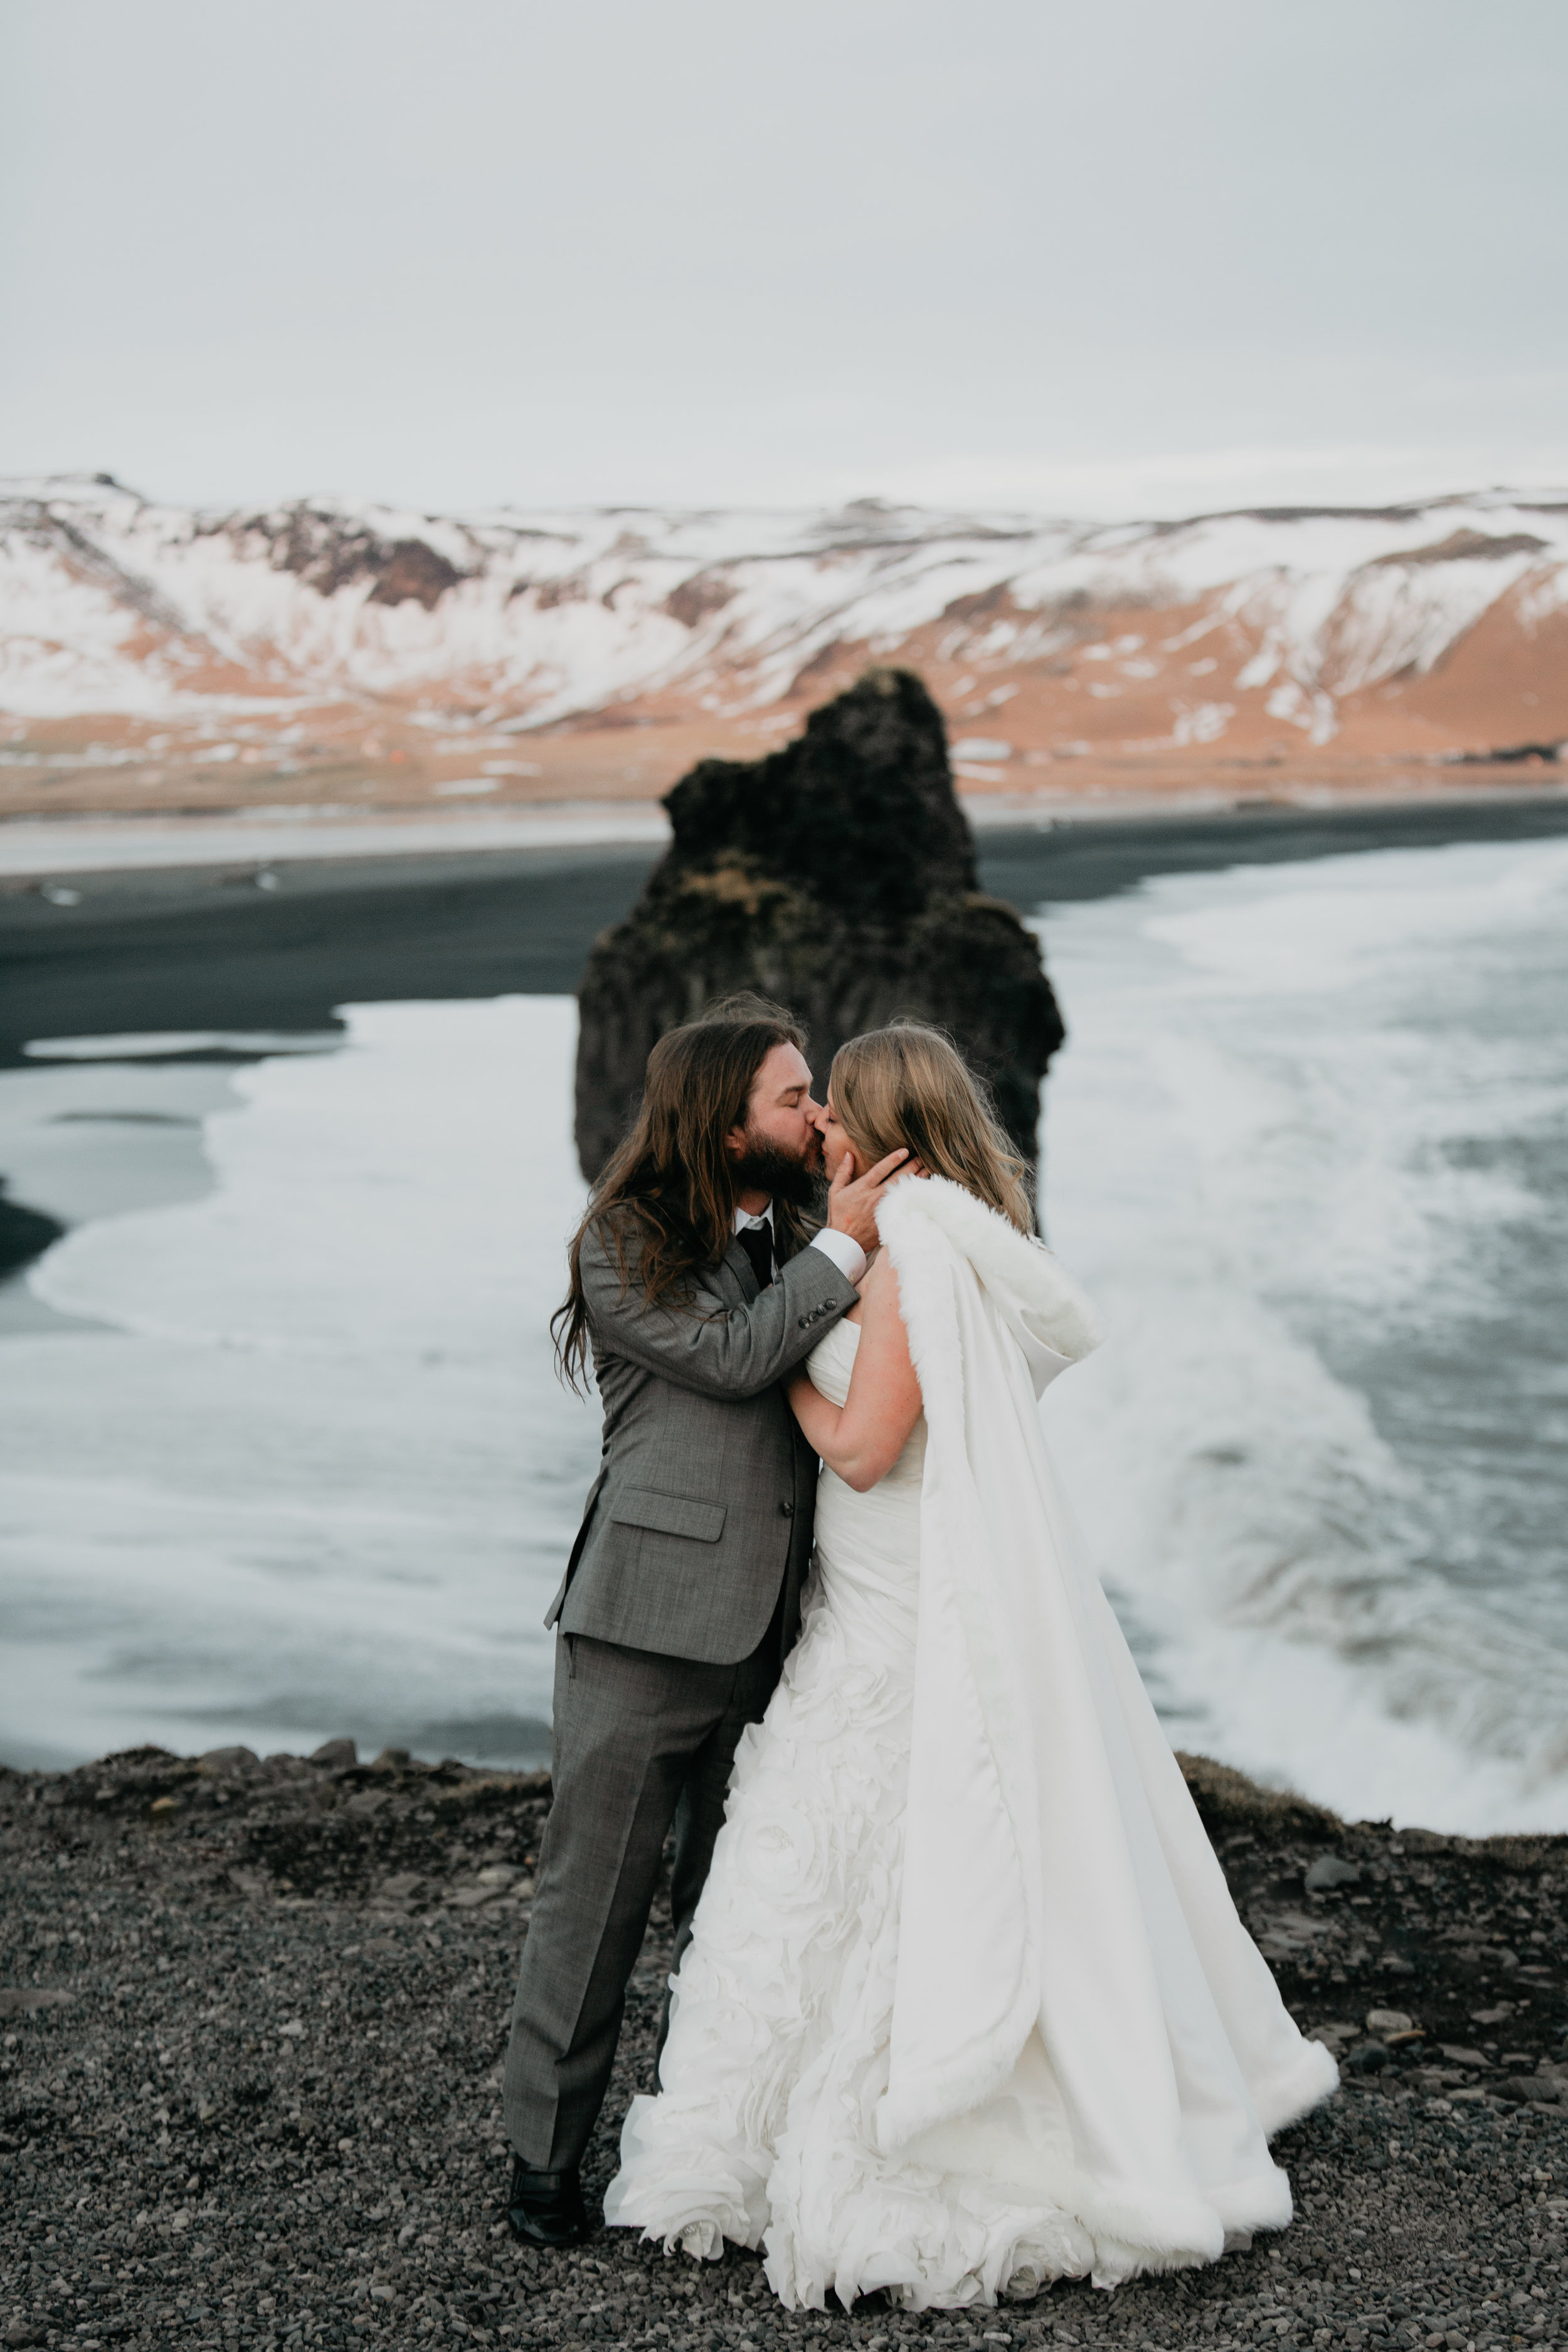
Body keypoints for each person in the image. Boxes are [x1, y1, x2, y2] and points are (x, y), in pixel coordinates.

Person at [604, 1022, 1338, 2311]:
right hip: (871, 1588)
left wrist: (773, 1370)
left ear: (883, 1132)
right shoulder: (942, 1239)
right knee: (821, 1854)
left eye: (835, 1108)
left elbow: (864, 1449)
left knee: (873, 1847)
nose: (819, 1122)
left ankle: (898, 2119)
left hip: (886, 1597)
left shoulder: (910, 1270)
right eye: (806, 1102)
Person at [501, 995, 913, 2249]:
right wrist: (843, 1248)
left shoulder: (792, 1225)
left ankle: (710, 2158)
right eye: (793, 1097)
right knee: (596, 1907)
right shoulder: (622, 1243)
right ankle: (543, 2170)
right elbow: (736, 1360)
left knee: (741, 1913)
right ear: (725, 1125)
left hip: (782, 1637)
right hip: (643, 1629)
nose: (819, 1113)